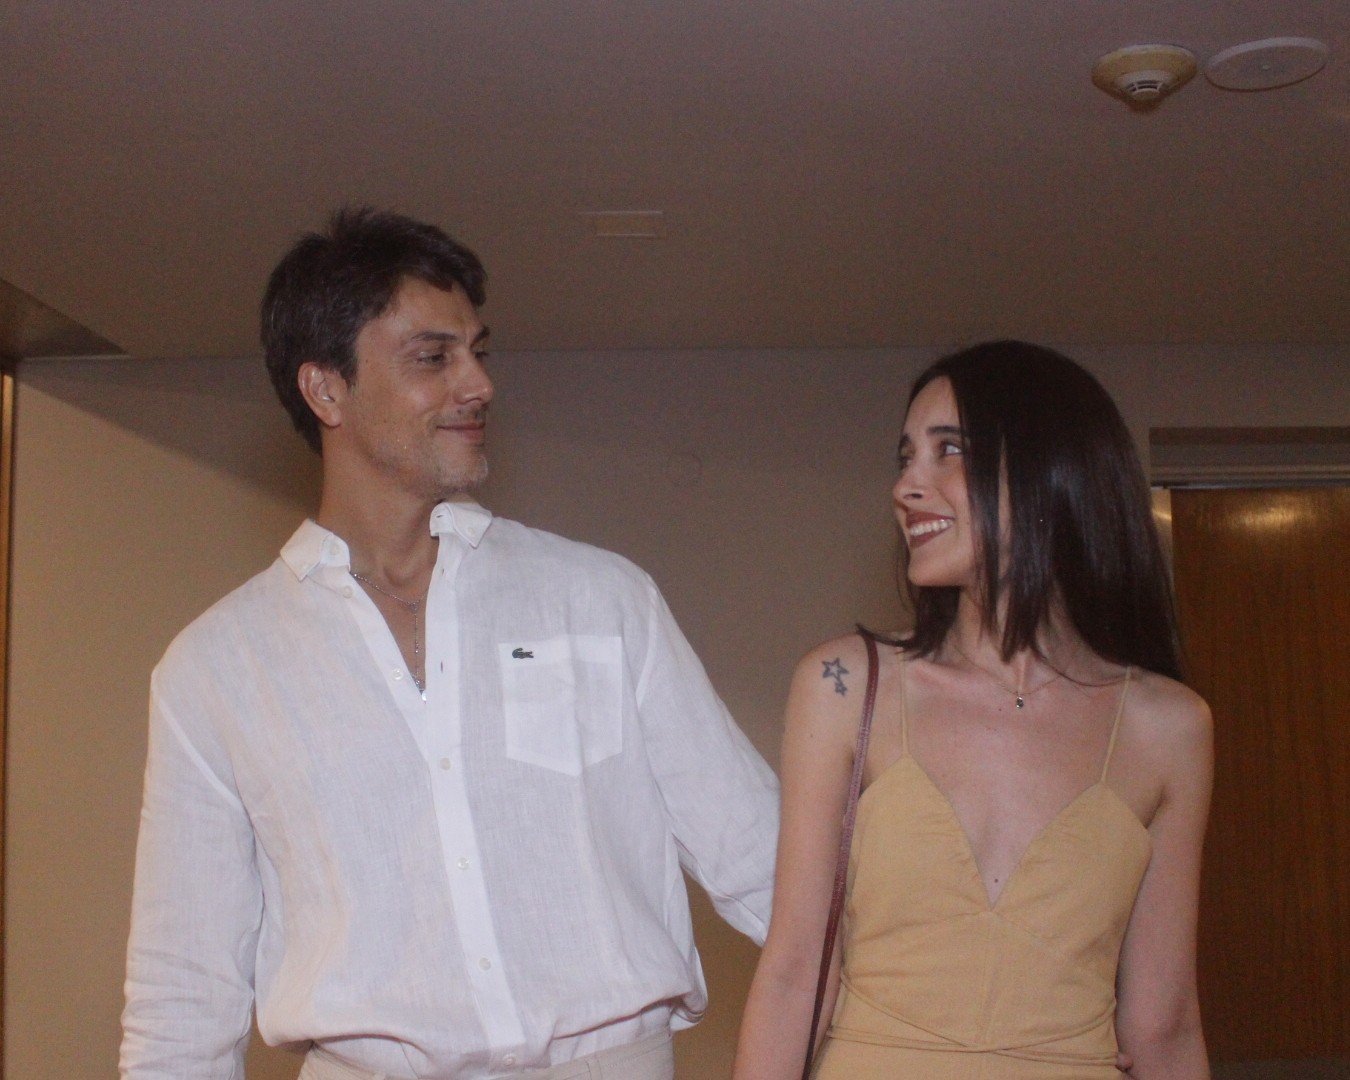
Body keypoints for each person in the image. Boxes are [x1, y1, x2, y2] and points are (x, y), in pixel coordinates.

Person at [120, 208, 779, 1080]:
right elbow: (183, 995)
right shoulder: (217, 670)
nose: (479, 384)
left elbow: (768, 865)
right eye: (433, 358)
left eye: (478, 351)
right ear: (327, 390)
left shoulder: (600, 600)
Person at [734, 341, 1212, 1079]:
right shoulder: (844, 685)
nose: (906, 486)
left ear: (1050, 470)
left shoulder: (1170, 727)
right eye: (905, 458)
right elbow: (796, 973)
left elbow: (1164, 1025)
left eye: (948, 450)